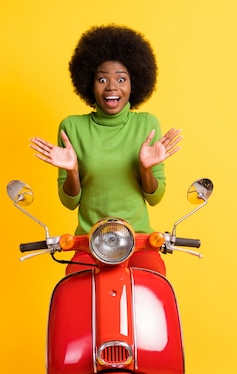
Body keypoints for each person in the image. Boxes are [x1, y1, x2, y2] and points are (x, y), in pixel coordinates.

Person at [29, 24, 182, 275]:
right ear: (90, 84)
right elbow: (70, 202)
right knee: (74, 289)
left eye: (121, 79)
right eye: (102, 79)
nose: (112, 87)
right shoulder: (72, 127)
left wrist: (146, 168)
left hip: (140, 242)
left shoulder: (147, 125)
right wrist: (73, 170)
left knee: (154, 283)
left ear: (134, 84)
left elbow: (155, 197)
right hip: (89, 244)